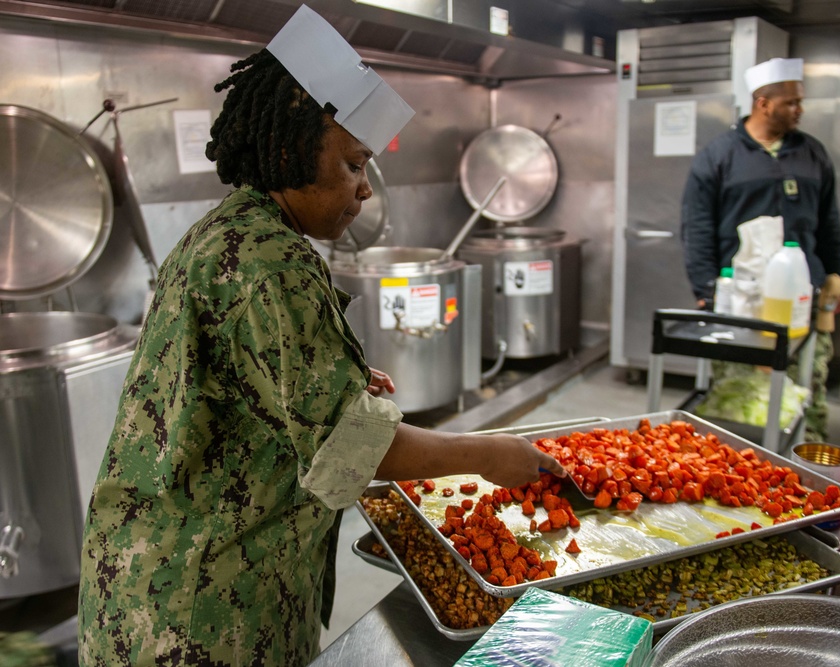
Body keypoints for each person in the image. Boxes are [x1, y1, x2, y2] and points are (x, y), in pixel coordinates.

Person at [76, 7, 563, 666]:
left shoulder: (228, 231)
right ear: (289, 150)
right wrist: (486, 453)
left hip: (162, 573)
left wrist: (338, 378)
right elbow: (351, 448)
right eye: (352, 162)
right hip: (202, 605)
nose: (363, 188)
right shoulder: (270, 256)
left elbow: (249, 376)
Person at [680, 57, 840, 443]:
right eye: (792, 102)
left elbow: (830, 221)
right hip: (741, 298)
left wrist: (839, 275)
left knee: (806, 387)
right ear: (764, 103)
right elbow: (698, 226)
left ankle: (807, 468)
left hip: (803, 296)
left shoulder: (813, 154)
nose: (799, 110)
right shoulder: (720, 156)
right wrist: (706, 290)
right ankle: (734, 464)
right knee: (737, 392)